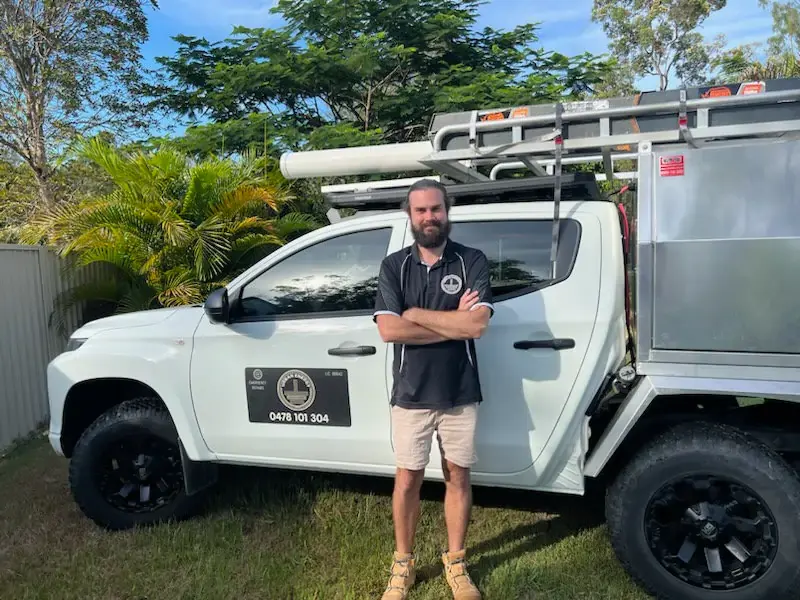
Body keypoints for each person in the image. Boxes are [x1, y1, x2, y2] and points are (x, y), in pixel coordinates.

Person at [372, 178, 494, 600]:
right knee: (408, 479)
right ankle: (403, 565)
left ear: (448, 211)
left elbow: (476, 325)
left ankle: (456, 564)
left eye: (436, 209)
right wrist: (451, 323)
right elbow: (389, 329)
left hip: (460, 390)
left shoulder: (471, 261)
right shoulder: (394, 267)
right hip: (411, 392)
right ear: (410, 216)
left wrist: (417, 314)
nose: (429, 217)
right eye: (421, 210)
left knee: (458, 475)